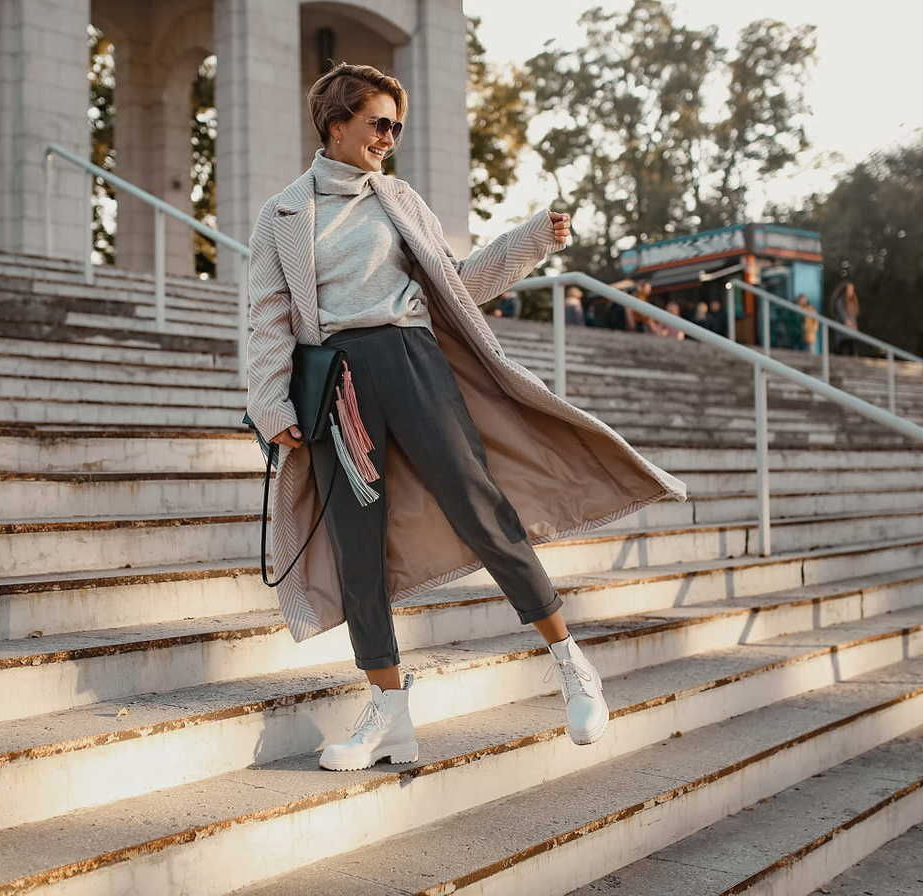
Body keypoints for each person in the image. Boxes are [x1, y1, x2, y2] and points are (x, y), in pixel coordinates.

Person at [243, 63, 686, 771]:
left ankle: (571, 663)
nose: (389, 137)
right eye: (378, 123)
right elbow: (267, 319)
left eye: (396, 126)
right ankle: (388, 712)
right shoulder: (284, 214)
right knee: (359, 548)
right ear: (336, 124)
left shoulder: (400, 200)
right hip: (339, 390)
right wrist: (270, 405)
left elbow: (460, 284)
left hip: (415, 365)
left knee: (479, 508)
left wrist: (532, 240)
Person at [829, 280, 860, 355]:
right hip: (843, 328)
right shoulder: (840, 301)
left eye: (852, 289)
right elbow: (841, 312)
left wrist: (854, 325)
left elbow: (854, 316)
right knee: (842, 345)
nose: (851, 291)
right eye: (849, 289)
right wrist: (846, 321)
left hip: (851, 329)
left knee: (851, 346)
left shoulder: (853, 302)